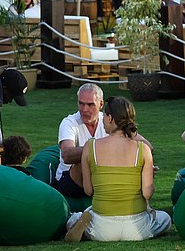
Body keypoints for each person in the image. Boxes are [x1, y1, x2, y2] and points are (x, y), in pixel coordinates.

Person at [65, 96, 171, 242]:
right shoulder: (143, 149)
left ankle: (81, 224)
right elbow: (147, 193)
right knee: (165, 218)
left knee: (74, 218)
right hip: (137, 228)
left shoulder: (90, 147)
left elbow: (88, 191)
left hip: (101, 228)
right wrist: (147, 179)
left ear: (110, 118)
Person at [53, 83, 108, 199]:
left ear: (101, 104)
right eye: (81, 104)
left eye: (90, 105)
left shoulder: (108, 120)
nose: (84, 109)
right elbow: (67, 155)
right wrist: (101, 149)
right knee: (83, 160)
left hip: (99, 176)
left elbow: (136, 140)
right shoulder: (69, 123)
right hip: (69, 180)